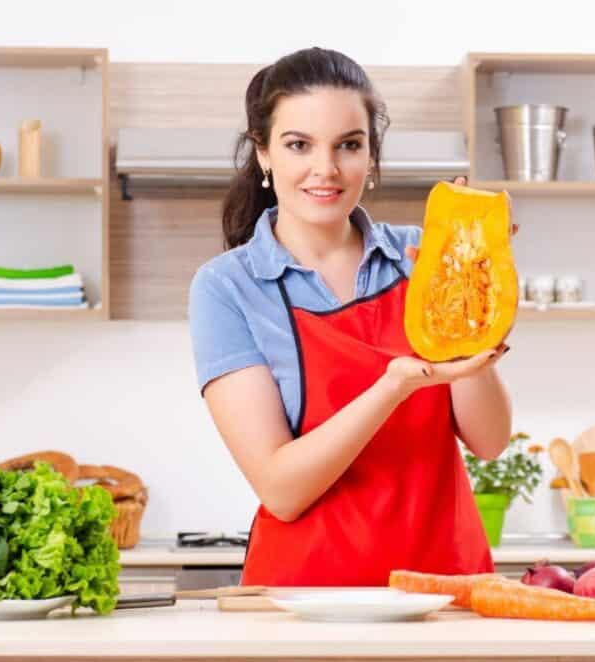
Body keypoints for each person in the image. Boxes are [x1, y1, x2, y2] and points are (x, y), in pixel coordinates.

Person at [188, 47, 515, 586]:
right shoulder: (228, 287)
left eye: (349, 145)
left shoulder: (421, 257)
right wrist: (393, 387)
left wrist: (476, 300)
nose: (327, 169)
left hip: (445, 592)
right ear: (264, 154)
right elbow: (281, 490)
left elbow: (490, 442)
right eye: (299, 145)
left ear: (371, 155)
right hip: (305, 606)